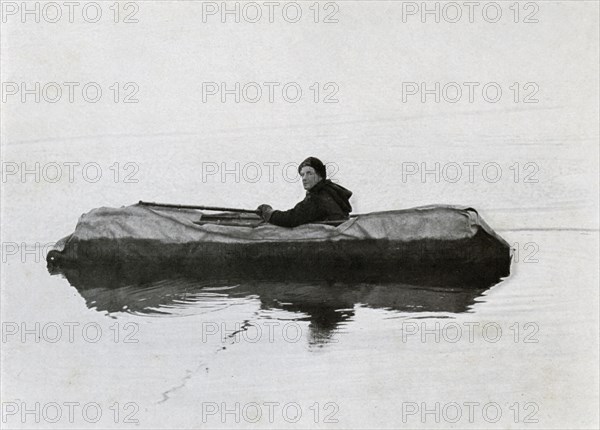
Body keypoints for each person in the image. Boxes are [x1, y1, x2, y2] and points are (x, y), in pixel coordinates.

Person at [257, 157, 353, 227]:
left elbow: (291, 218)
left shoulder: (318, 197)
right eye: (302, 175)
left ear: (320, 176)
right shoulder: (331, 191)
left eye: (309, 173)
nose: (304, 178)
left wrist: (269, 213)